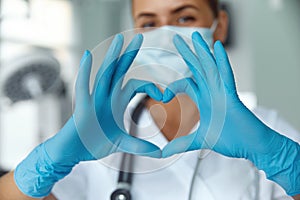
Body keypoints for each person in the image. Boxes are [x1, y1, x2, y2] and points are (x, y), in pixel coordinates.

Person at [0, 0, 299, 199]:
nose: (166, 34)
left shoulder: (264, 128)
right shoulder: (102, 133)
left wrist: (281, 159)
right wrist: (47, 162)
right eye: (148, 22)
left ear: (219, 24)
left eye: (184, 17)